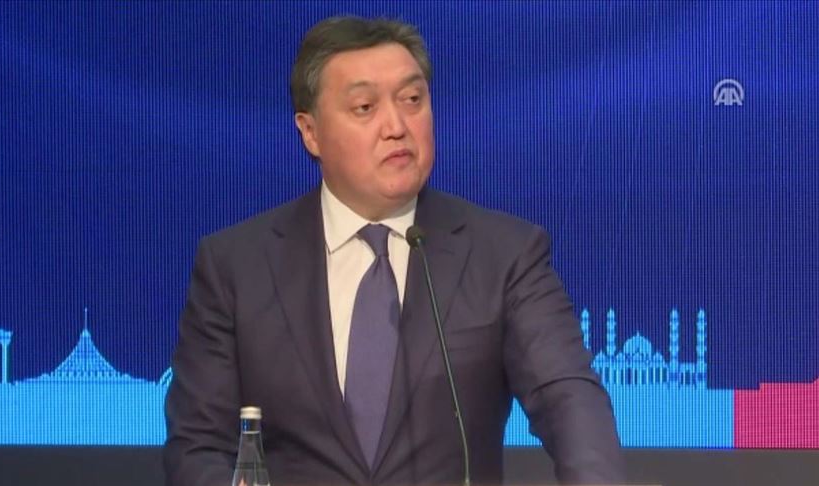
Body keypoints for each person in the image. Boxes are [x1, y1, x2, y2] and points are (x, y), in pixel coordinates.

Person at [164, 15, 624, 486]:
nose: (397, 126)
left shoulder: (505, 254)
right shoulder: (236, 266)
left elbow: (570, 401)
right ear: (310, 132)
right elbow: (198, 446)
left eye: (412, 100)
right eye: (365, 107)